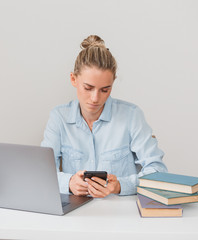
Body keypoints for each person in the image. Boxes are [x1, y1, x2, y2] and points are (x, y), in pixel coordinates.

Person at [41, 35, 167, 198]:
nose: (95, 98)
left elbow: (158, 171)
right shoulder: (59, 117)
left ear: (112, 84)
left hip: (121, 214)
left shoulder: (131, 116)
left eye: (105, 90)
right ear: (73, 79)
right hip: (76, 215)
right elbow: (42, 173)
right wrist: (69, 182)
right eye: (88, 88)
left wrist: (121, 185)